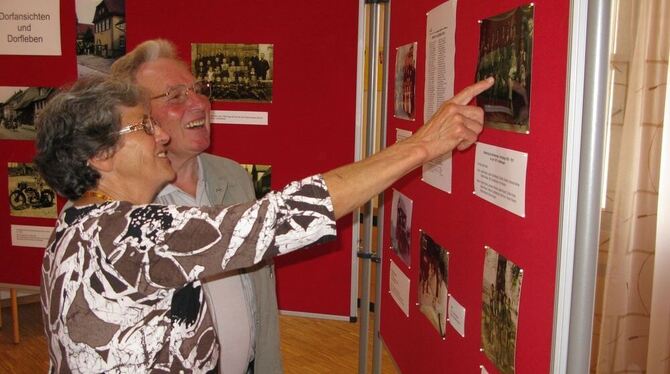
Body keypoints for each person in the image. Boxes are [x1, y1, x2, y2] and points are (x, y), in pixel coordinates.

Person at [34, 75, 493, 372]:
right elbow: (276, 220)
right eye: (141, 127)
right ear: (100, 155)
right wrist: (422, 147)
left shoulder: (77, 225)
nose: (160, 134)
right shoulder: (127, 234)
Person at [110, 39, 282, 374]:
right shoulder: (118, 204)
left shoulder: (232, 176)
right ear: (137, 118)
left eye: (198, 89)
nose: (200, 103)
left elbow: (261, 286)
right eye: (175, 96)